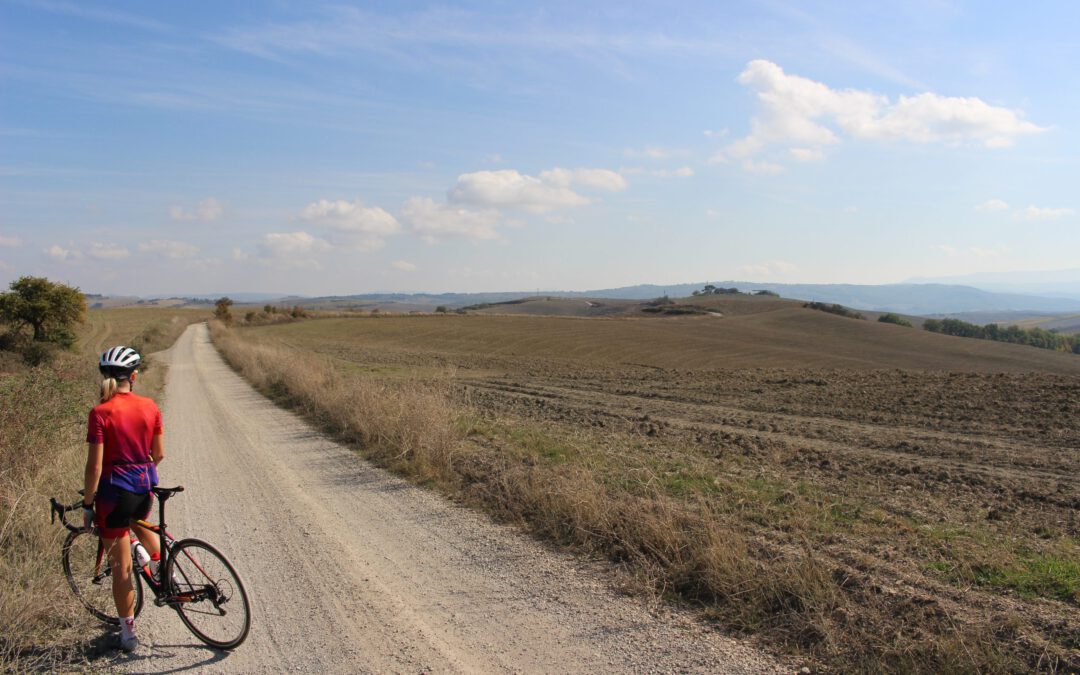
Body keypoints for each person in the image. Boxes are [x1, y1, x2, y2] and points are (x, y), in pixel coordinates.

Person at [82, 345, 165, 653]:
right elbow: (158, 454)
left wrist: (88, 505)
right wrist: (140, 472)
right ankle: (158, 566)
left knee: (121, 569)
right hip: (143, 490)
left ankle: (128, 635)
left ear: (104, 377)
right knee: (139, 521)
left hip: (113, 495)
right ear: (134, 376)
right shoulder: (150, 406)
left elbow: (95, 467)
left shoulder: (100, 412)